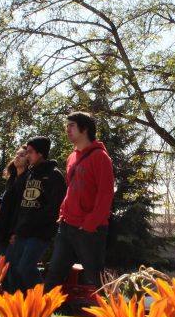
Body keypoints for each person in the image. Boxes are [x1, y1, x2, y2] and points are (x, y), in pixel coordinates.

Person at [44, 112, 114, 290]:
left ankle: (115, 316)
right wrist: (62, 213)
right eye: (66, 125)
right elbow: (71, 190)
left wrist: (90, 223)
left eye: (72, 125)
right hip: (67, 225)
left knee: (97, 277)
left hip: (90, 229)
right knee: (54, 274)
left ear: (85, 129)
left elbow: (106, 195)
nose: (67, 129)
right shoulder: (71, 157)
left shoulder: (101, 157)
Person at [8, 137, 66, 293]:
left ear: (40, 153)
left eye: (30, 152)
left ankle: (44, 304)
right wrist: (15, 230)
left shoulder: (54, 175)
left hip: (40, 232)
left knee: (26, 267)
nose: (27, 155)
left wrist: (35, 222)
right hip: (22, 232)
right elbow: (19, 205)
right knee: (14, 269)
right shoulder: (28, 175)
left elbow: (55, 206)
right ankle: (18, 311)